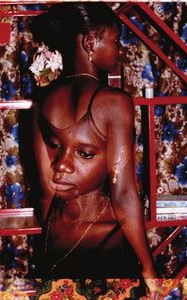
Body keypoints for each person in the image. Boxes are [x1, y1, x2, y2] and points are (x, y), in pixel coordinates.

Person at [30, 2, 157, 281]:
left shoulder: (43, 99)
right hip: (104, 234)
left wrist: (53, 230)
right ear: (90, 42)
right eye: (115, 40)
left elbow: (45, 188)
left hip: (56, 237)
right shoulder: (114, 103)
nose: (120, 49)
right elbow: (123, 193)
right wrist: (149, 268)